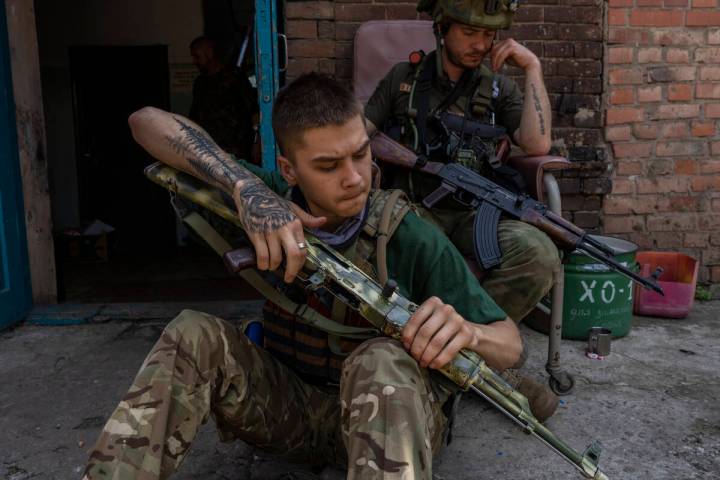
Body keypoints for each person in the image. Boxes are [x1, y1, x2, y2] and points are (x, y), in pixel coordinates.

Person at [82, 73, 523, 479]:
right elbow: (145, 122)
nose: (354, 178)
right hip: (288, 410)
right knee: (192, 334)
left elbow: (510, 343)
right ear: (289, 169)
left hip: (391, 425)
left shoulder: (408, 233)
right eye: (328, 166)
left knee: (381, 360)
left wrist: (466, 333)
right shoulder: (264, 199)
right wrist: (244, 188)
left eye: (360, 155)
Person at [364, 0, 560, 414]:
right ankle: (480, 369)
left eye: (488, 35)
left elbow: (537, 145)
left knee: (540, 252)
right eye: (470, 33)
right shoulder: (405, 79)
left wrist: (532, 69)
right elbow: (359, 136)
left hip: (475, 215)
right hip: (414, 209)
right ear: (442, 28)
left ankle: (475, 353)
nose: (480, 44)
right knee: (417, 245)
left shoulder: (497, 88)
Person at [189, 36, 257, 162]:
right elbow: (195, 117)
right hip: (209, 151)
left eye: (197, 56)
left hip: (237, 150)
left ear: (209, 53)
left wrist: (257, 142)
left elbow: (254, 111)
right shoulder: (200, 83)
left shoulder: (234, 78)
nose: (194, 61)